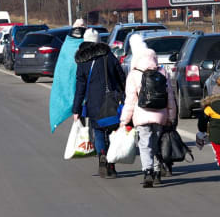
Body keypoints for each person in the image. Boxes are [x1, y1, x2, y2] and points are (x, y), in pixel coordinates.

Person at [119, 34, 176, 188]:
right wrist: (171, 117)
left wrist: (124, 120)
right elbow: (170, 98)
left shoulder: (134, 74)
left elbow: (130, 101)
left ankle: (148, 171)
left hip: (141, 115)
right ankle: (157, 171)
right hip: (160, 115)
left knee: (145, 144)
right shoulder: (162, 72)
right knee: (156, 143)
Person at [72, 28, 125, 179]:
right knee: (113, 132)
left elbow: (80, 87)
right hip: (111, 101)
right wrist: (125, 94)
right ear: (98, 41)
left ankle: (102, 155)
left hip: (93, 103)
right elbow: (120, 75)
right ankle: (112, 164)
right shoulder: (108, 56)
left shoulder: (82, 60)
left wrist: (76, 109)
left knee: (99, 131)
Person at [49, 19, 86, 133]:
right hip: (88, 91)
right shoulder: (87, 43)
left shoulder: (67, 44)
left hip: (77, 91)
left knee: (80, 120)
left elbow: (62, 70)